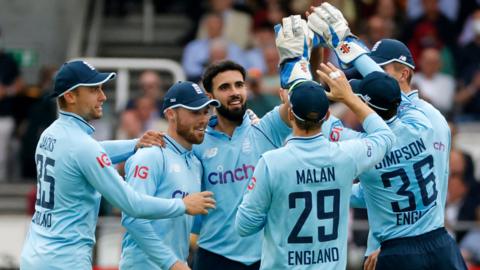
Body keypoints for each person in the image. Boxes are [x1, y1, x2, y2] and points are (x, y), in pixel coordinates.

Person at [307, 4, 465, 269]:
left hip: (396, 250)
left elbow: (313, 117)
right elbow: (386, 88)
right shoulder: (432, 121)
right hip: (439, 244)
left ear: (404, 73)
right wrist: (345, 42)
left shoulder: (364, 146)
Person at [20, 60, 216, 270]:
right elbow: (132, 205)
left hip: (35, 254)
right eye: (94, 90)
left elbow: (91, 151)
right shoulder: (84, 147)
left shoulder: (50, 135)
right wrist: (183, 205)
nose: (103, 96)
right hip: (65, 260)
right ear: (70, 96)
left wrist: (134, 144)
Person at [235, 60, 395, 269]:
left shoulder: (271, 162)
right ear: (327, 116)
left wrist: (276, 208)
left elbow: (244, 226)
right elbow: (385, 137)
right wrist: (348, 98)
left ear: (290, 114)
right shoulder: (346, 155)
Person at [120, 81, 220, 270]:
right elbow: (132, 219)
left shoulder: (195, 163)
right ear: (171, 114)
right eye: (194, 112)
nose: (203, 119)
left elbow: (189, 221)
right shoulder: (150, 156)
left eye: (206, 111)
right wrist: (173, 264)